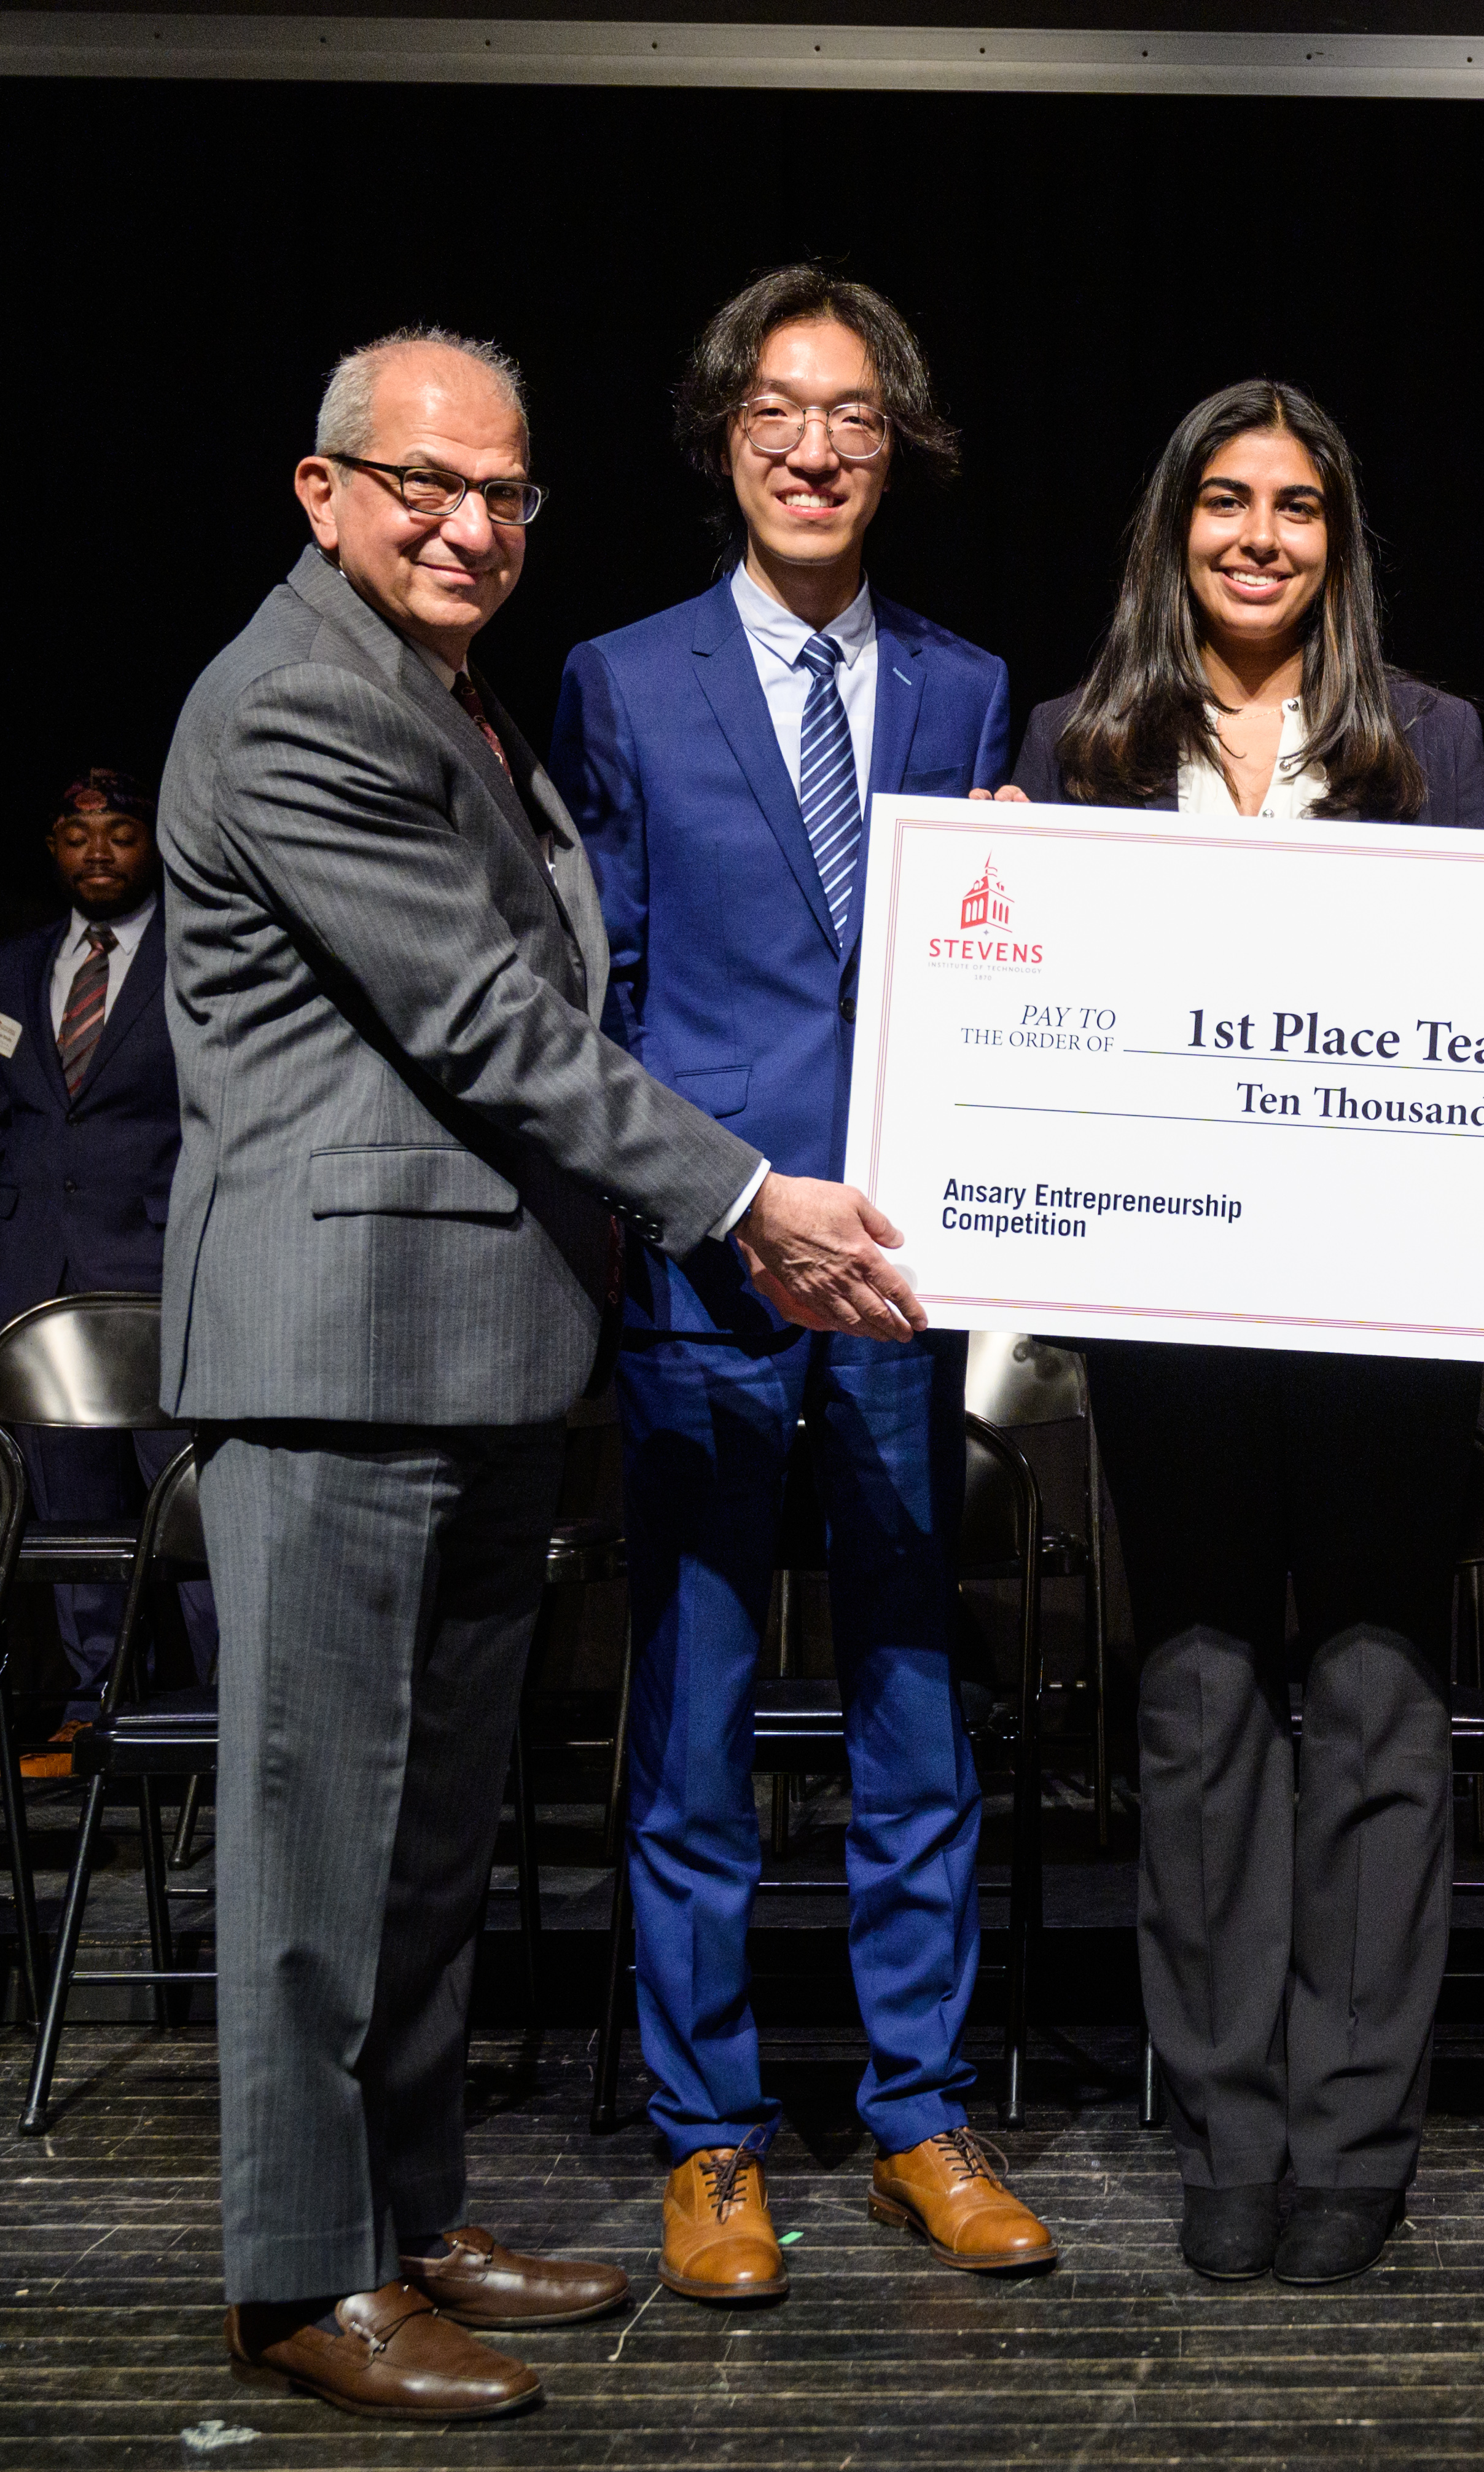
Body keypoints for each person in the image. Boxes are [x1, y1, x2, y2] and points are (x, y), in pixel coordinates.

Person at [165, 327, 921, 2423]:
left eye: (504, 494)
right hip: (336, 1361)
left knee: (421, 1848)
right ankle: (296, 2276)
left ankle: (402, 2221)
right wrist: (745, 1195)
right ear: (320, 491)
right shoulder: (302, 702)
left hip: (474, 1350)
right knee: (323, 1849)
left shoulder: (443, 696)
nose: (469, 526)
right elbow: (488, 1022)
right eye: (423, 484)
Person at [550, 264, 1045, 2302]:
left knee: (917, 1711)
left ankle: (916, 2112)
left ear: (896, 443)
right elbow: (610, 999)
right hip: (712, 1279)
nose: (812, 442)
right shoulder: (617, 674)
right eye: (775, 409)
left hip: (906, 1286)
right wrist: (720, 1208)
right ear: (722, 438)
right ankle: (710, 2135)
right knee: (694, 1729)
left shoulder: (962, 683)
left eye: (850, 411)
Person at [992, 379, 1484, 2286]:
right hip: (1172, 1324)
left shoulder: (1434, 741)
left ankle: (1358, 2129)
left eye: (1297, 507)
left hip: (1384, 1325)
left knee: (1374, 1704)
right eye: (1227, 503)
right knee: (1201, 1710)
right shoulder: (1078, 748)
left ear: (1338, 539)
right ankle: (1230, 2120)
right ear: (1176, 529)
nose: (1261, 538)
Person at [0, 767, 211, 1774]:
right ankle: (95, 1705)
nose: (98, 853)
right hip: (30, 1276)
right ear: (52, 849)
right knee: (66, 1503)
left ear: (155, 844)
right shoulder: (9, 967)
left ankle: (218, 1705)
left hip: (158, 1261)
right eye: (75, 835)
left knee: (187, 1493)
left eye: (121, 833)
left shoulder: (201, 954)